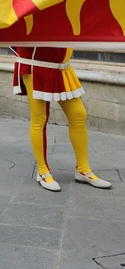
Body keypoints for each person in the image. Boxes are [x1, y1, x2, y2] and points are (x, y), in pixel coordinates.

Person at [13, 46, 112, 192]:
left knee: (78, 114)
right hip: (36, 66)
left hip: (62, 68)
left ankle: (83, 170)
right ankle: (42, 171)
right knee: (39, 118)